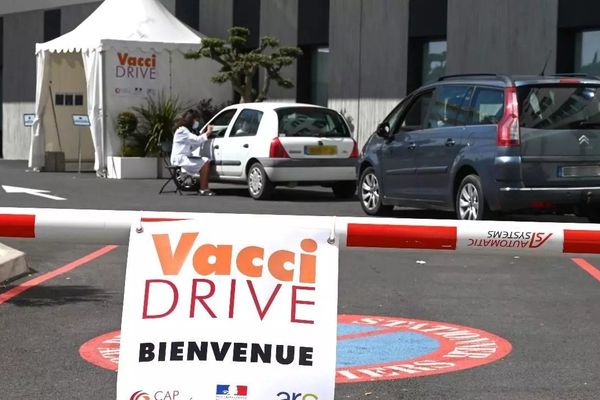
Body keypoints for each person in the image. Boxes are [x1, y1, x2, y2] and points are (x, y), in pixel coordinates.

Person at [171, 109, 215, 196]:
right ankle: (203, 189)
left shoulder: (185, 131)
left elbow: (193, 145)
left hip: (184, 157)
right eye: (196, 120)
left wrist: (202, 136)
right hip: (180, 159)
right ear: (191, 119)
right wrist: (208, 133)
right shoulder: (182, 130)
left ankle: (203, 188)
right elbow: (196, 140)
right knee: (205, 162)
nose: (197, 122)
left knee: (205, 161)